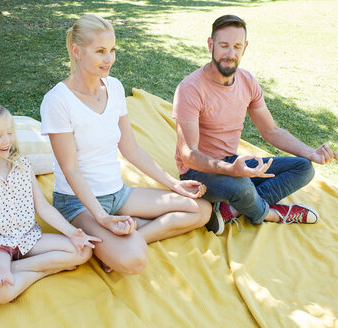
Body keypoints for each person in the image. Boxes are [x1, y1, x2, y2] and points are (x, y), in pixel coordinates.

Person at [40, 14, 212, 274]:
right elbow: (70, 169)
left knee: (200, 209)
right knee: (134, 261)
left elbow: (131, 149)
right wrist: (102, 218)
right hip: (78, 204)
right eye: (100, 51)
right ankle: (122, 241)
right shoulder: (57, 101)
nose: (109, 59)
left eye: (112, 50)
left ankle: (130, 236)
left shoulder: (115, 88)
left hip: (118, 193)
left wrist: (174, 185)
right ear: (76, 51)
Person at [173, 15, 338, 235]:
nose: (230, 54)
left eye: (237, 46)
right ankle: (268, 214)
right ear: (210, 44)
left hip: (233, 164)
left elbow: (270, 130)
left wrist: (311, 153)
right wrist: (230, 170)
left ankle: (231, 209)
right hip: (198, 173)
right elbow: (188, 154)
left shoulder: (247, 81)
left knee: (303, 167)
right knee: (242, 185)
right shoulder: (190, 89)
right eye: (223, 46)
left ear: (245, 48)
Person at [0, 101, 101, 304]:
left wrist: (72, 233)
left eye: (9, 132)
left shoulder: (22, 164)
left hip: (27, 237)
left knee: (83, 250)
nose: (7, 141)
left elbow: (42, 207)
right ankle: (40, 269)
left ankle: (15, 270)